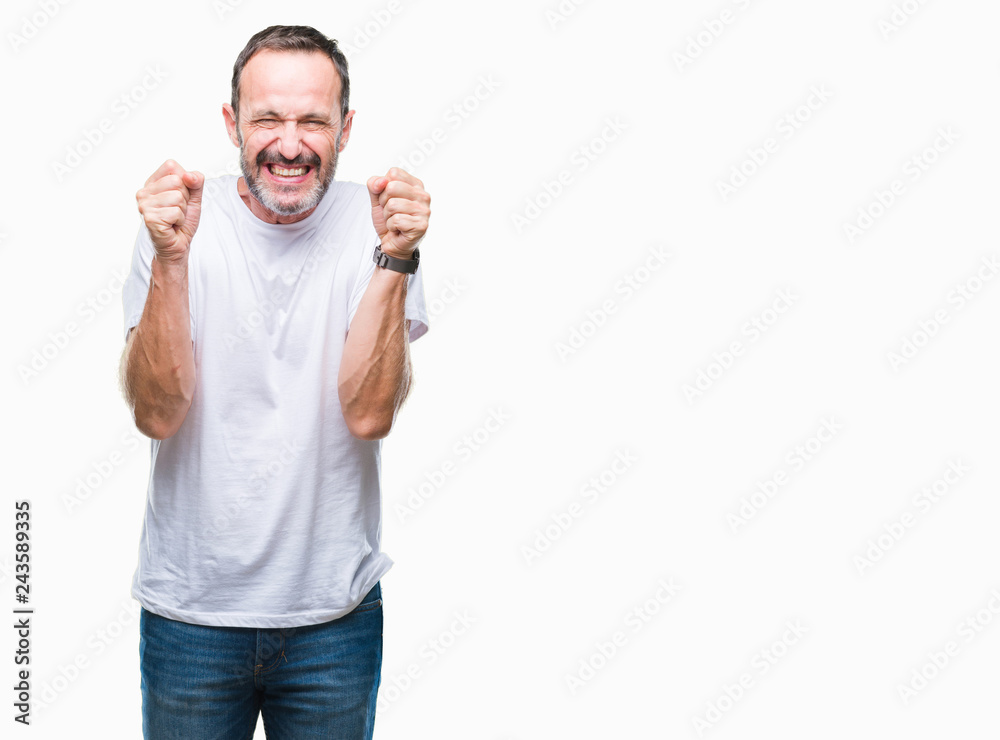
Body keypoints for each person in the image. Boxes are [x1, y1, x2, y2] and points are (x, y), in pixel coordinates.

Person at [118, 24, 430, 739]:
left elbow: (369, 414)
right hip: (190, 616)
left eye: (312, 121)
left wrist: (395, 260)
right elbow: (157, 414)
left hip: (333, 619)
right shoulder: (179, 225)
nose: (289, 144)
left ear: (344, 129)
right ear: (233, 123)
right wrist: (171, 259)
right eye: (268, 119)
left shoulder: (378, 225)